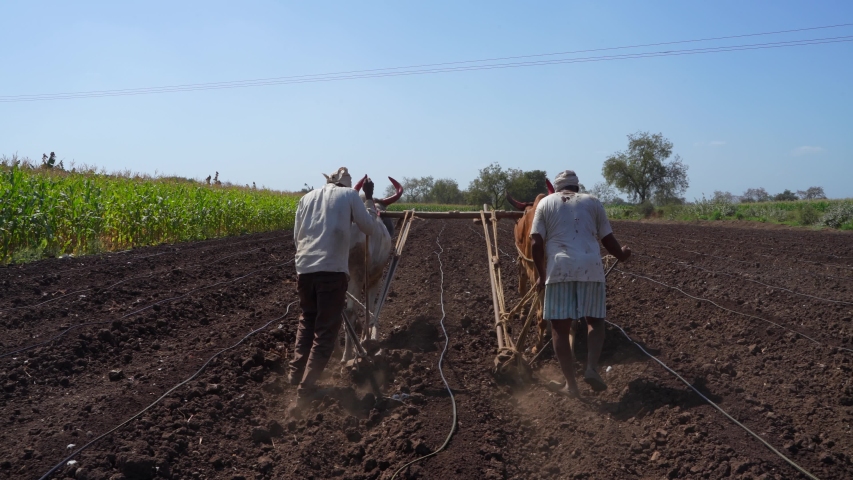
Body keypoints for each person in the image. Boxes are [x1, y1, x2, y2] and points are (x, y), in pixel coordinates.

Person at [530, 169, 631, 397]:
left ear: (556, 188)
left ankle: (571, 385)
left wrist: (541, 273)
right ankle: (592, 368)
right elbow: (608, 240)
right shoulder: (593, 202)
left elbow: (536, 243)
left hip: (559, 269)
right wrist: (623, 255)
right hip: (591, 267)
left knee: (559, 328)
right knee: (594, 321)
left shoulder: (545, 204)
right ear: (577, 187)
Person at [290, 166, 379, 406]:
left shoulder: (306, 198)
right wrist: (369, 199)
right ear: (347, 186)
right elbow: (369, 228)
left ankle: (295, 374)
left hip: (304, 270)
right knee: (325, 332)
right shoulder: (350, 195)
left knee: (307, 320)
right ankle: (305, 391)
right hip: (331, 272)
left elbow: (296, 237)